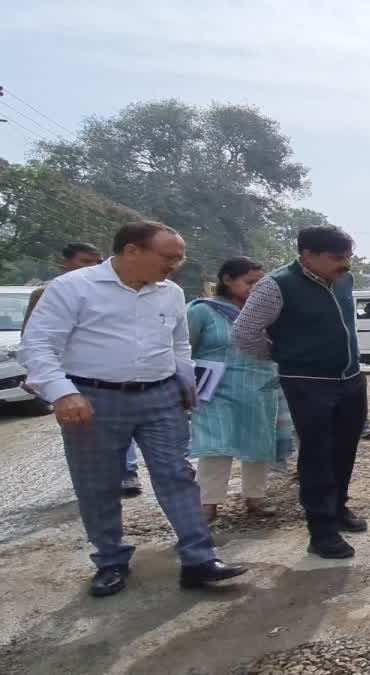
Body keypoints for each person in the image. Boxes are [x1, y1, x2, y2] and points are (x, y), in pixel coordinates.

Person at [19, 221, 247, 597]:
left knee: (176, 475)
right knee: (98, 483)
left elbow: (179, 344)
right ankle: (110, 561)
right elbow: (38, 346)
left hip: (160, 396)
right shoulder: (73, 288)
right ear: (132, 251)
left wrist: (186, 382)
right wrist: (62, 393)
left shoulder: (170, 292)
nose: (176, 264)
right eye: (169, 257)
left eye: (179, 257)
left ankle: (199, 559)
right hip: (93, 398)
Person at [232, 225, 368, 560]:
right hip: (308, 383)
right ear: (307, 255)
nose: (346, 263)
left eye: (349, 256)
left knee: (345, 449)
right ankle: (321, 531)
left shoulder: (344, 280)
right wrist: (283, 357)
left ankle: (338, 508)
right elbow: (244, 333)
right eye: (338, 257)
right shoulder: (276, 286)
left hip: (351, 378)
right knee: (317, 454)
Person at [21, 243, 144, 497]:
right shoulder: (47, 292)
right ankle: (94, 485)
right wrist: (40, 376)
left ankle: (127, 472)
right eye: (85, 261)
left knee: (122, 419)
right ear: (66, 263)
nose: (93, 267)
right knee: (82, 430)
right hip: (66, 374)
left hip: (104, 373)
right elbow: (33, 338)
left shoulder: (110, 289)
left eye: (97, 261)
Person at [189, 257, 294, 522]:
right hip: (215, 390)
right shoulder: (201, 311)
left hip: (259, 387)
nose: (255, 288)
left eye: (260, 283)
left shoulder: (264, 311)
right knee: (216, 446)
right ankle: (207, 504)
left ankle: (255, 499)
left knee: (259, 443)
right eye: (250, 282)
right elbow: (182, 349)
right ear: (227, 280)